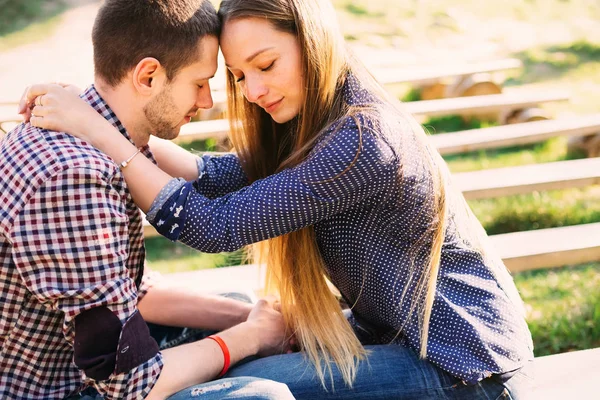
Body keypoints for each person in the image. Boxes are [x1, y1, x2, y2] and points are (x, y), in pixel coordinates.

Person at [19, 0, 535, 398]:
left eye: (265, 64)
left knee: (245, 381)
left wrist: (100, 129)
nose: (253, 90)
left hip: (464, 364)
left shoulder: (363, 141)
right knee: (237, 356)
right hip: (398, 335)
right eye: (240, 76)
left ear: (311, 43)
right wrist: (103, 112)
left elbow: (214, 227)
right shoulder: (318, 119)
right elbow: (215, 174)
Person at [1, 1, 296, 400]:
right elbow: (132, 381)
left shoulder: (100, 138)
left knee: (236, 303)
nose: (207, 100)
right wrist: (252, 335)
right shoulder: (74, 177)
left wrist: (248, 318)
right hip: (55, 391)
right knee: (265, 396)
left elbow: (130, 291)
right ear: (149, 75)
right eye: (199, 82)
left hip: (78, 369)